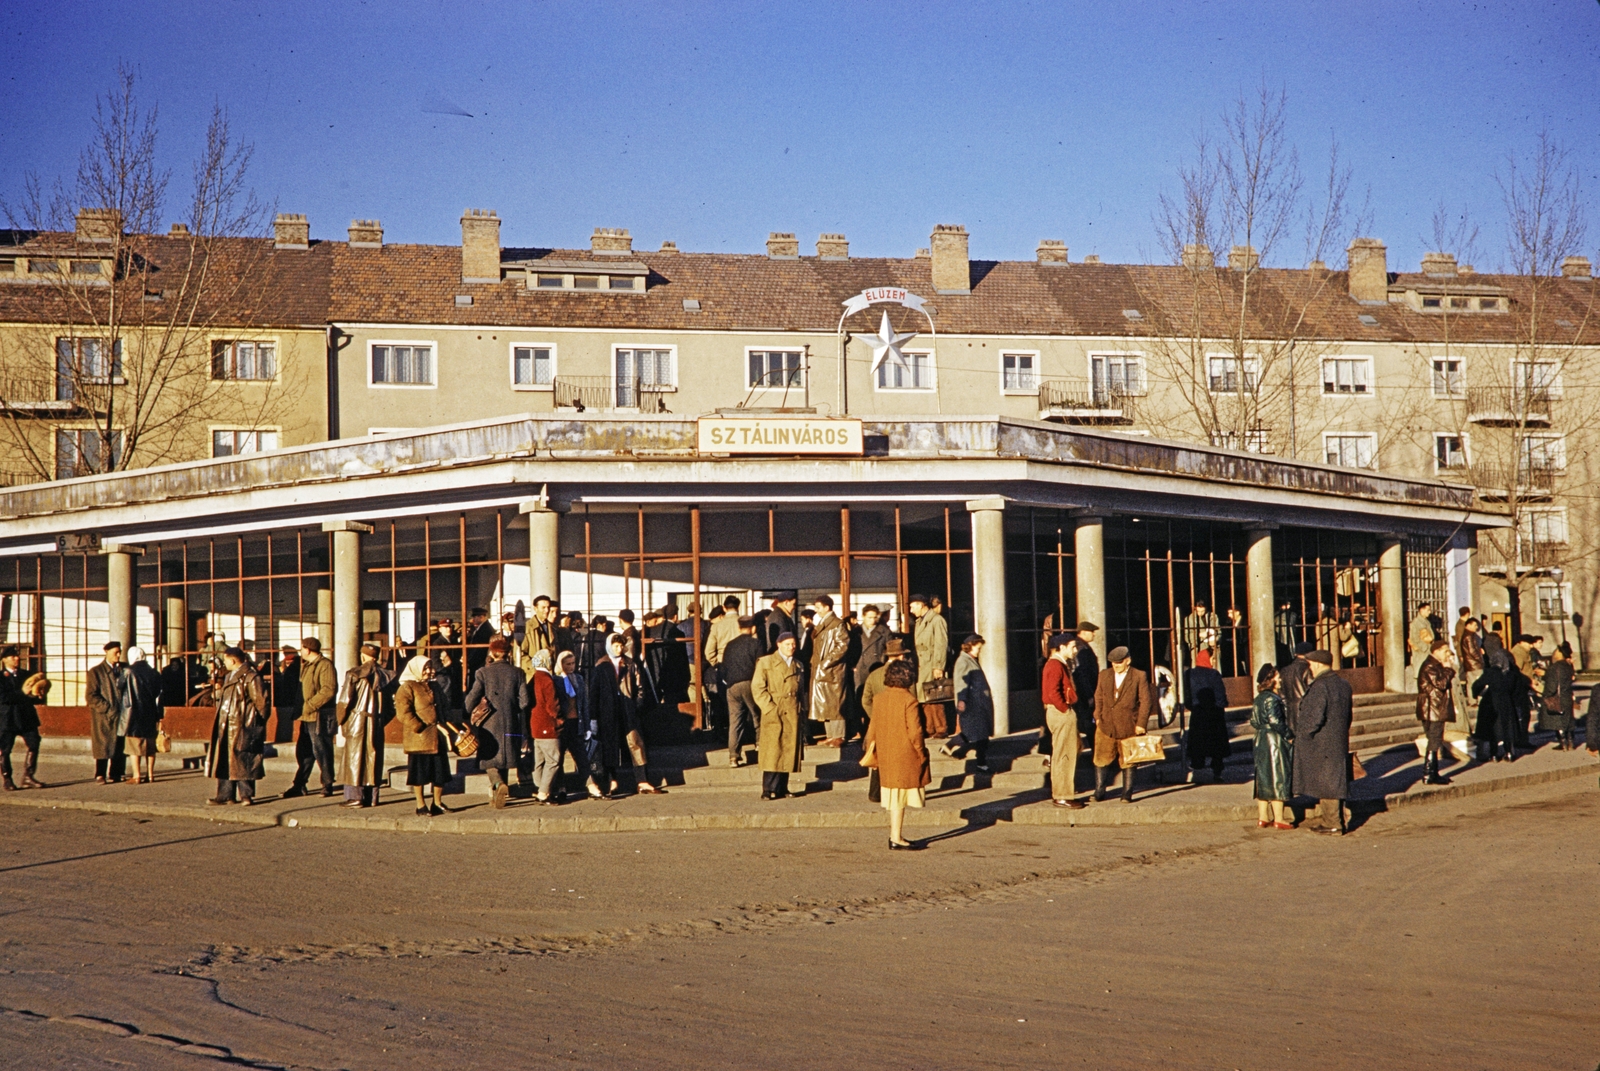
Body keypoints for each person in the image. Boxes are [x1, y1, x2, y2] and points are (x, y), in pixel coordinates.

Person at [589, 631, 664, 797]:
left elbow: (640, 686)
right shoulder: (601, 665)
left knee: (636, 742)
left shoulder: (630, 663)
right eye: (615, 645)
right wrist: (594, 716)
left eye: (621, 645)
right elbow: (594, 692)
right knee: (610, 744)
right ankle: (612, 780)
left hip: (628, 708)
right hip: (608, 711)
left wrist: (637, 704)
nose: (619, 649)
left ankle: (642, 780)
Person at [865, 659, 929, 850]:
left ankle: (895, 835)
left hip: (886, 753)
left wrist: (873, 751)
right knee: (901, 797)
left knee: (894, 798)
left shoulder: (879, 699)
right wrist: (921, 753)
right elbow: (916, 732)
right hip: (905, 755)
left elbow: (872, 728)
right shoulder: (909, 700)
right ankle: (896, 838)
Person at [464, 635, 531, 808]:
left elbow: (470, 700)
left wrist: (469, 710)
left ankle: (497, 785)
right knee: (506, 757)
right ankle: (498, 795)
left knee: (490, 759)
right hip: (511, 722)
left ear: (492, 654)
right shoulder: (518, 673)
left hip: (489, 723)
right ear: (508, 654)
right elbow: (524, 702)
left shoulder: (483, 673)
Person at [1294, 650, 1353, 835]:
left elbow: (1313, 718)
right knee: (1335, 780)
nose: (1309, 668)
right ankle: (1337, 820)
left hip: (1322, 741)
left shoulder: (1321, 686)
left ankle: (1333, 823)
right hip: (1337, 739)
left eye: (1310, 664)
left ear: (1318, 664)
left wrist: (1302, 735)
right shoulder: (1343, 684)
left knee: (1328, 783)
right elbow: (1348, 716)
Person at [1091, 646, 1156, 803]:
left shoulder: (1139, 676)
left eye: (1119, 663)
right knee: (1101, 758)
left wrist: (1141, 723)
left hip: (1129, 726)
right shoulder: (1104, 675)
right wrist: (1098, 717)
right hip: (1106, 726)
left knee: (1129, 759)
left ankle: (1127, 793)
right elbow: (1098, 697)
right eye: (1113, 663)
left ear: (1128, 661)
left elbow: (1146, 701)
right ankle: (1099, 791)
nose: (1115, 666)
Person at [205, 647, 268, 806]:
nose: (224, 663)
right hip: (226, 725)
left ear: (232, 660)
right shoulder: (229, 677)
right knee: (225, 760)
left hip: (242, 725)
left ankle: (246, 795)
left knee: (243, 759)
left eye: (225, 660)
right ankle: (225, 795)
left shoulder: (251, 677)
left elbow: (262, 703)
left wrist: (255, 724)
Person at [282, 636, 339, 798]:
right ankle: (299, 785)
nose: (301, 651)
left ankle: (327, 784)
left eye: (302, 648)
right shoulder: (307, 665)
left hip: (318, 716)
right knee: (304, 752)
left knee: (322, 751)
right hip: (306, 717)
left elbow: (328, 690)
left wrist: (309, 705)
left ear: (307, 649)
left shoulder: (324, 665)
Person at [395, 655, 450, 816]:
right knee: (419, 773)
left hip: (437, 736)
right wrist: (418, 726)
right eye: (425, 668)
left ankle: (437, 803)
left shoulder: (435, 686)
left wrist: (445, 721)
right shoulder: (407, 687)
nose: (429, 671)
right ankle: (420, 805)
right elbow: (403, 712)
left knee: (440, 773)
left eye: (430, 667)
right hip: (419, 738)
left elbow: (444, 705)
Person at [338, 643, 392, 808]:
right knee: (373, 759)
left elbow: (344, 702)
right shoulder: (387, 675)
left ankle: (355, 797)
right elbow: (392, 706)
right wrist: (381, 719)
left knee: (355, 759)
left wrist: (341, 721)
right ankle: (373, 797)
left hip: (357, 720)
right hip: (376, 721)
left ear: (362, 655)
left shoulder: (354, 674)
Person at [753, 631, 805, 800]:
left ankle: (783, 787)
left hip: (792, 711)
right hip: (774, 710)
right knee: (772, 751)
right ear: (779, 644)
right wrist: (769, 708)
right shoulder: (766, 662)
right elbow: (758, 688)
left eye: (793, 644)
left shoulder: (798, 665)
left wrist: (801, 710)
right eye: (788, 644)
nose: (792, 647)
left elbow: (801, 691)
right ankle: (767, 789)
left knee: (788, 750)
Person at [1041, 632, 1083, 808]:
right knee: (1064, 755)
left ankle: (1062, 793)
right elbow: (1052, 692)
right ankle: (1062, 795)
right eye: (1072, 646)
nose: (1075, 650)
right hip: (1060, 713)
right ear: (1062, 647)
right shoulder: (1055, 665)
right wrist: (1065, 710)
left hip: (1059, 712)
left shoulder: (1058, 664)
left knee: (1070, 750)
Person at [1251, 664, 1294, 829]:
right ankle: (1279, 818)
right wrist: (1289, 735)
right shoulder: (1272, 698)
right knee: (1278, 775)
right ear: (1271, 680)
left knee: (1263, 777)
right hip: (1273, 741)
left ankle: (1263, 817)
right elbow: (1276, 721)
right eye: (1277, 676)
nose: (1280, 679)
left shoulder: (1259, 698)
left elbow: (1253, 721)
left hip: (1261, 738)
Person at [944, 634, 992, 769]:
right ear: (970, 646)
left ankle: (950, 747)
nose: (979, 651)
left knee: (975, 732)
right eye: (978, 648)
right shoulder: (963, 661)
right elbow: (961, 683)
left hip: (977, 704)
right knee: (979, 734)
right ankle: (981, 763)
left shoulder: (969, 660)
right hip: (973, 704)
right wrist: (962, 701)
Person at [808, 595, 849, 747]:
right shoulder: (825, 623)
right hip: (823, 669)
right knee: (825, 703)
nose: (816, 610)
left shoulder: (837, 624)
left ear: (827, 607)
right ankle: (831, 735)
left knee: (835, 702)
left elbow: (842, 646)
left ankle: (839, 735)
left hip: (832, 670)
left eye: (818, 607)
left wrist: (825, 663)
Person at [0, 646, 44, 790]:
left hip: (26, 716)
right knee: (5, 749)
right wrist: (21, 692)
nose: (17, 658)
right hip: (8, 718)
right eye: (12, 656)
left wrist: (39, 695)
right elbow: (3, 697)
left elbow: (32, 695)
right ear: (4, 659)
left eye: (17, 656)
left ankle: (28, 776)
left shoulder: (26, 675)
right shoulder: (1, 677)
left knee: (34, 743)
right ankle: (7, 779)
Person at [1184, 648, 1230, 783]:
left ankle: (1197, 771)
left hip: (1198, 714)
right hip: (1214, 715)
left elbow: (1187, 695)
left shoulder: (1189, 674)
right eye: (1212, 658)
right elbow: (1220, 694)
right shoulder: (1214, 674)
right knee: (1217, 747)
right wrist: (1221, 705)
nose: (1214, 661)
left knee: (1197, 743)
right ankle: (1217, 772)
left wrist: (1192, 707)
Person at [1415, 638, 1457, 785]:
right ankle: (1428, 774)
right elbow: (1441, 684)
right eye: (1445, 651)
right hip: (1432, 709)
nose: (1447, 654)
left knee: (1435, 740)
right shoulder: (1430, 666)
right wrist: (1449, 669)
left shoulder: (1434, 665)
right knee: (1434, 740)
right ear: (1436, 651)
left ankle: (1433, 773)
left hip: (1434, 708)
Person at [722, 616, 761, 767]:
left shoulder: (730, 645)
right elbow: (760, 665)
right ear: (753, 628)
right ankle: (759, 744)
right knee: (757, 715)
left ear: (739, 628)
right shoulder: (756, 643)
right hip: (750, 683)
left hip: (732, 686)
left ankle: (733, 756)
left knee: (735, 721)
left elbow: (724, 667)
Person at [122, 646, 164, 785]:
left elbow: (119, 686)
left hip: (133, 713)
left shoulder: (128, 671)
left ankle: (137, 775)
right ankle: (151, 775)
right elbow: (158, 691)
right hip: (150, 711)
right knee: (150, 745)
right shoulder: (154, 672)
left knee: (134, 745)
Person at [909, 594, 949, 738]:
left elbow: (941, 644)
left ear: (921, 604)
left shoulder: (937, 620)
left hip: (931, 664)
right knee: (924, 699)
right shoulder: (920, 621)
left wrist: (939, 666)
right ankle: (930, 728)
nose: (911, 610)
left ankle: (941, 728)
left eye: (913, 606)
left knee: (934, 698)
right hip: (922, 665)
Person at [1473, 634, 1518, 763]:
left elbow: (1478, 685)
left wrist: (1476, 693)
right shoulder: (1509, 671)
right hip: (1506, 701)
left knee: (1492, 729)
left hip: (1491, 701)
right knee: (1506, 728)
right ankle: (1509, 752)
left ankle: (1493, 753)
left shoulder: (1491, 671)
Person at [86, 640, 125, 784]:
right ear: (107, 652)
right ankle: (100, 774)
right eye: (116, 652)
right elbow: (91, 695)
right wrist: (107, 708)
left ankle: (116, 773)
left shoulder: (123, 669)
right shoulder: (96, 672)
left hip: (121, 714)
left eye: (120, 652)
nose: (119, 655)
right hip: (103, 716)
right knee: (103, 745)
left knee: (120, 745)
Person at [527, 649, 563, 803]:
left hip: (535, 725)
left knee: (539, 761)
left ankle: (538, 787)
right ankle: (543, 791)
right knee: (553, 760)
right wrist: (560, 719)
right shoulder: (547, 680)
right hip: (547, 725)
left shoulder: (533, 678)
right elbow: (552, 705)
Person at [1540, 641, 1576, 751]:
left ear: (1560, 653)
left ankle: (1563, 743)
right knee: (1568, 721)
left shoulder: (1555, 667)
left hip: (1557, 698)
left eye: (1556, 651)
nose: (1554, 653)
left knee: (1558, 721)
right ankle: (1571, 742)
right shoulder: (1567, 666)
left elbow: (1552, 685)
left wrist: (1545, 695)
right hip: (1567, 696)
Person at [1070, 621, 1101, 748]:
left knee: (1088, 724)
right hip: (1084, 694)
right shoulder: (1081, 648)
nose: (1093, 634)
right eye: (1091, 631)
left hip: (1085, 693)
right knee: (1089, 724)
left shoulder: (1084, 647)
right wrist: (1090, 696)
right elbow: (1082, 674)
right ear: (1082, 632)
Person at [465, 606, 495, 677]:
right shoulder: (480, 628)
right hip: (477, 663)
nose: (473, 619)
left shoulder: (485, 630)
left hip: (480, 663)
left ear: (481, 617)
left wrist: (470, 660)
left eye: (475, 617)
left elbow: (479, 648)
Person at [1408, 601, 1435, 666]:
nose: (1429, 612)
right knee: (1420, 670)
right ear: (1421, 610)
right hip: (1421, 651)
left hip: (1427, 650)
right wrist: (1424, 648)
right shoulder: (1416, 623)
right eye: (1428, 610)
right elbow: (1414, 638)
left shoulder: (1426, 622)